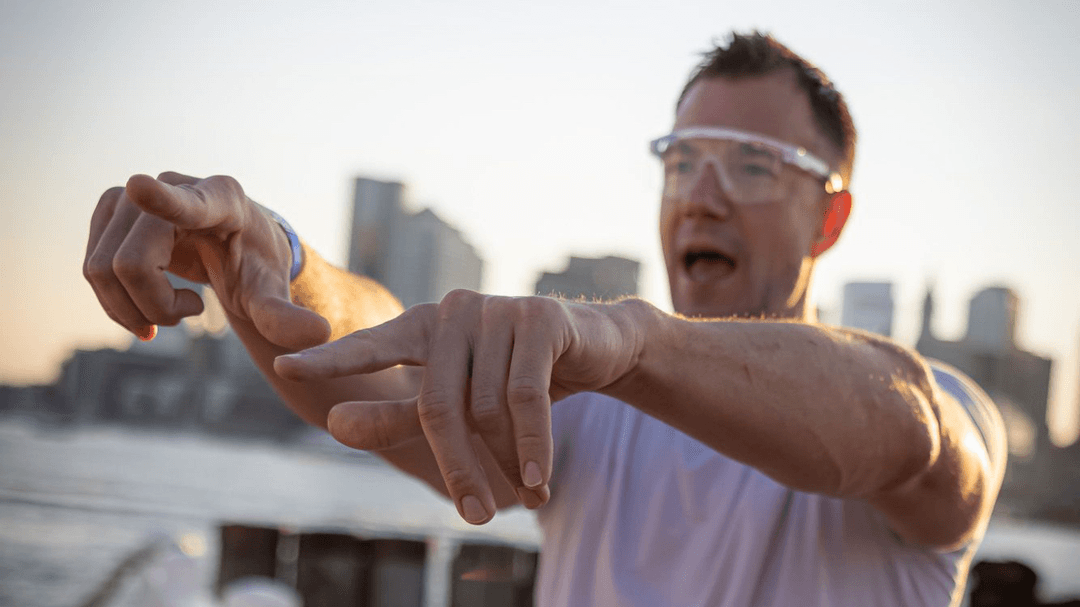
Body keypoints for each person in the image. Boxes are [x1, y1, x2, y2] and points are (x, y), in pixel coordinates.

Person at [83, 32, 1006, 606]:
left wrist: (635, 339)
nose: (703, 194)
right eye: (682, 161)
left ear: (830, 220)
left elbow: (911, 425)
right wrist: (270, 260)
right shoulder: (593, 411)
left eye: (753, 165)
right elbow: (390, 359)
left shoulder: (937, 406)